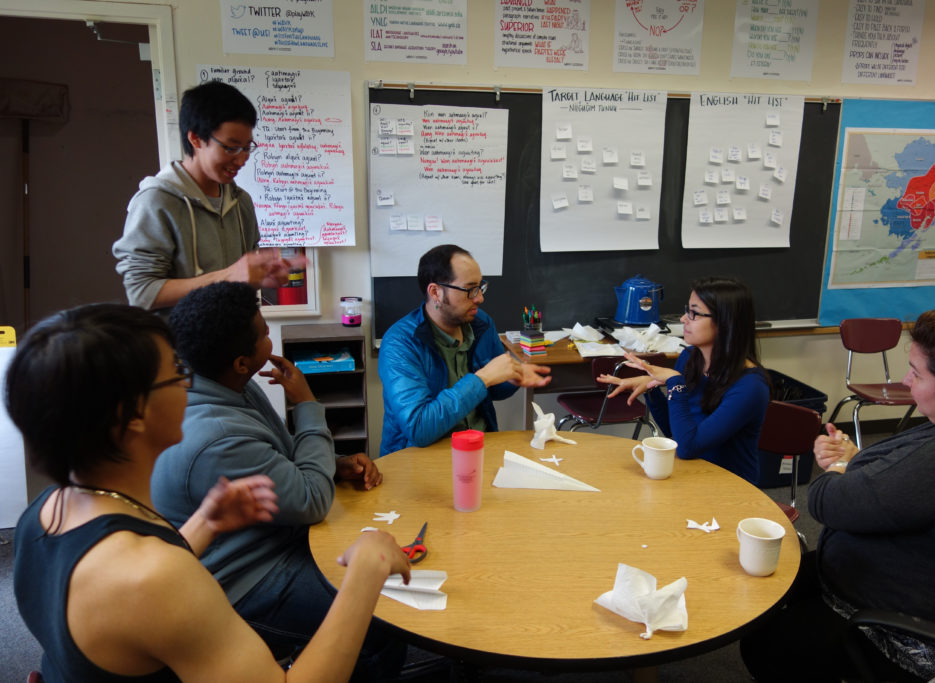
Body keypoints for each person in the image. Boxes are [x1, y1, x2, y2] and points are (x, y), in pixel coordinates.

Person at [8, 303, 410, 682]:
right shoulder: (158, 577)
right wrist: (365, 572)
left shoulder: (45, 511)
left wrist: (203, 525)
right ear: (133, 416)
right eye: (177, 372)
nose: (192, 385)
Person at [740, 306, 935, 682]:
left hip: (927, 631)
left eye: (917, 373)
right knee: (782, 579)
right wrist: (858, 460)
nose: (906, 380)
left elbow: (825, 501)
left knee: (765, 638)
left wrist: (839, 468)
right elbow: (913, 483)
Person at [151, 281, 382, 659]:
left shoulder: (224, 383)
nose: (269, 340)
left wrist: (336, 466)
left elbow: (279, 458)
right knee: (374, 614)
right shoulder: (218, 435)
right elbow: (311, 500)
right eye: (264, 335)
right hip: (250, 580)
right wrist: (307, 403)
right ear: (242, 362)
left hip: (275, 539)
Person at [112, 80, 294, 312]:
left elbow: (241, 281)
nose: (241, 159)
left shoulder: (241, 202)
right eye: (231, 147)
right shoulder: (156, 201)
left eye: (247, 147)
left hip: (235, 342)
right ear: (196, 138)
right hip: (182, 347)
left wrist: (262, 278)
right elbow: (142, 293)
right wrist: (228, 276)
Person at [378, 244, 552, 456]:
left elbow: (494, 390)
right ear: (436, 292)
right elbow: (419, 428)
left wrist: (512, 377)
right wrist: (483, 378)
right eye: (470, 289)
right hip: (420, 459)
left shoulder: (480, 323)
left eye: (481, 287)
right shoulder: (400, 343)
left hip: (479, 447)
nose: (480, 298)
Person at [599, 276, 770, 484]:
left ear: (725, 322)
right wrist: (651, 387)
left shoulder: (750, 387)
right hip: (693, 474)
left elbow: (689, 447)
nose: (683, 319)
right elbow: (676, 432)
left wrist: (674, 382)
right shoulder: (690, 358)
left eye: (694, 313)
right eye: (686, 310)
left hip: (731, 488)